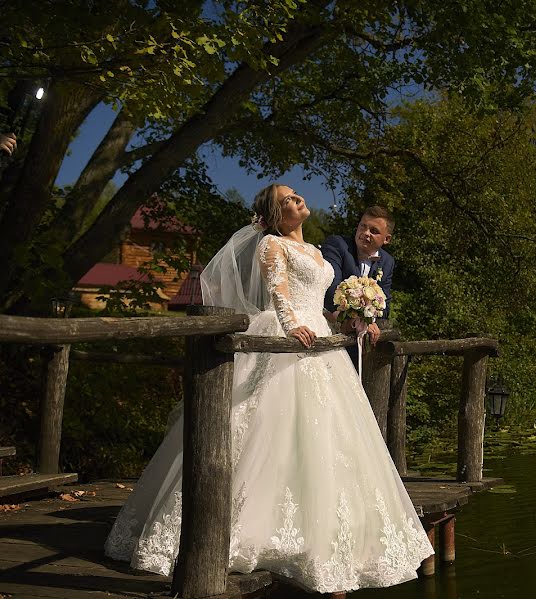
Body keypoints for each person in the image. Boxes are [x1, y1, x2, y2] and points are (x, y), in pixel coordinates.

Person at [104, 184, 433, 594]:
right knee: (265, 431)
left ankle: (333, 542)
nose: (298, 200)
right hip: (288, 337)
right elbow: (280, 295)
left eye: (296, 195)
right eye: (288, 200)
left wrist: (347, 315)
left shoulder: (315, 249)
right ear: (277, 215)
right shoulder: (271, 246)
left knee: (327, 441)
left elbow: (321, 301)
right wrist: (293, 325)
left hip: (323, 341)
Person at [321, 206, 395, 360]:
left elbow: (385, 304)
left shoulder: (387, 261)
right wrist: (355, 318)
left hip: (363, 343)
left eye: (374, 231)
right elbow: (331, 289)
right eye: (363, 226)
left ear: (386, 239)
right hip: (329, 330)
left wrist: (369, 320)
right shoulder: (338, 244)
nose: (366, 233)